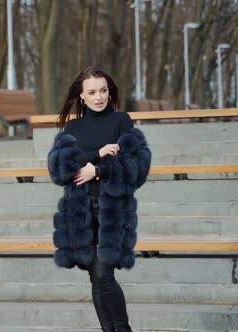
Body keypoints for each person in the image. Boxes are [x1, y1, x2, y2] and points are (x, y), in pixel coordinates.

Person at [47, 66, 152, 332]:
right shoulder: (73, 127)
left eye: (103, 90)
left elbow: (137, 167)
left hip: (113, 212)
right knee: (96, 279)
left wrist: (98, 170)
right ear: (82, 96)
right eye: (92, 92)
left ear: (109, 91)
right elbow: (59, 168)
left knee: (104, 275)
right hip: (79, 213)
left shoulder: (121, 121)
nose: (99, 97)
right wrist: (97, 153)